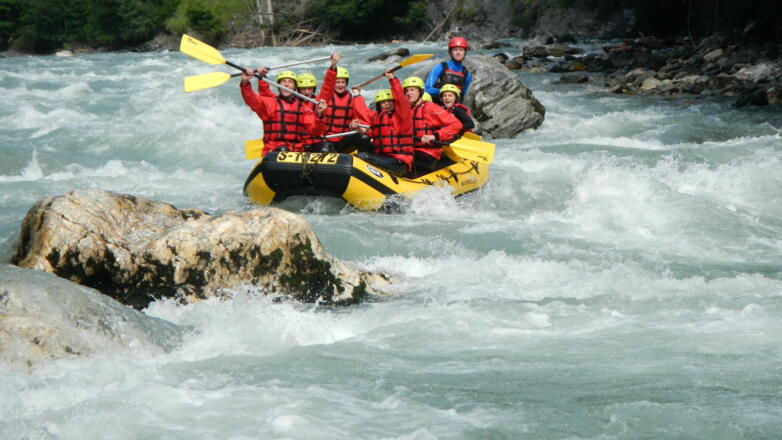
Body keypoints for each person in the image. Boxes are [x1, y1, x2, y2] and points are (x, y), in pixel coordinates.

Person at [240, 68, 329, 156]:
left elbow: (315, 131)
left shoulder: (303, 108)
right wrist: (245, 83)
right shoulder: (269, 103)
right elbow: (251, 99)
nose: (286, 84)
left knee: (325, 147)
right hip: (274, 150)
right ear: (278, 86)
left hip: (296, 152)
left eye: (290, 82)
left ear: (295, 87)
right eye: (283, 82)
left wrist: (320, 115)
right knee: (283, 150)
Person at [349, 71, 414, 176]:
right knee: (363, 142)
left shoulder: (402, 116)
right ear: (379, 105)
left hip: (399, 161)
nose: (387, 104)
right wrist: (357, 94)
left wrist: (392, 79)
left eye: (389, 101)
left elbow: (401, 99)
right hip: (383, 158)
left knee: (362, 157)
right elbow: (362, 110)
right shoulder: (376, 117)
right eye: (383, 102)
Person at [403, 76, 462, 171]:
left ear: (420, 92)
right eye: (406, 91)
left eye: (412, 90)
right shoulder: (408, 110)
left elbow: (456, 125)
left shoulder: (430, 108)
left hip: (428, 153)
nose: (409, 93)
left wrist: (434, 136)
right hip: (411, 150)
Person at [320, 66, 370, 154]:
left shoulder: (352, 99)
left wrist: (355, 124)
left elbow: (360, 114)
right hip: (327, 139)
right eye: (337, 82)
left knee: (363, 137)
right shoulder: (326, 98)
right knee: (325, 148)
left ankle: (365, 160)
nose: (340, 85)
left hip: (344, 139)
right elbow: (326, 85)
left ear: (346, 83)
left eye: (343, 82)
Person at [424, 37, 473, 104]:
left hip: (454, 108)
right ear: (450, 52)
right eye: (455, 50)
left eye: (461, 50)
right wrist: (445, 91)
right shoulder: (441, 67)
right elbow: (427, 88)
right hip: (439, 105)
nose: (458, 52)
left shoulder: (467, 75)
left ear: (465, 52)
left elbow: (462, 95)